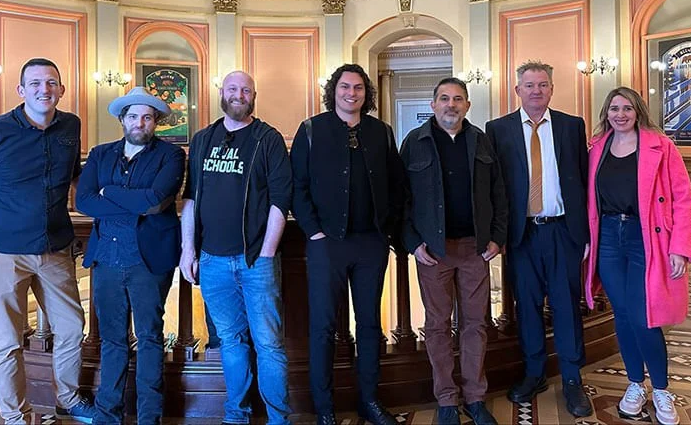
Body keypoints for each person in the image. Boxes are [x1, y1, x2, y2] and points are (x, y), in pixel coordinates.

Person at [0, 58, 96, 425]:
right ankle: (16, 416)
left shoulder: (70, 126)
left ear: (61, 89)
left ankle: (69, 397)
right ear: (20, 90)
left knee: (71, 328)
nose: (44, 89)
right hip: (4, 254)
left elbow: (75, 177)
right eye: (35, 83)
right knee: (8, 339)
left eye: (51, 83)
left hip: (55, 248)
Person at [291, 63, 405, 425]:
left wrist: (387, 231)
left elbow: (397, 185)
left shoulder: (381, 132)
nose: (351, 93)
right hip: (327, 245)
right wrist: (314, 232)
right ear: (333, 91)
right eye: (344, 87)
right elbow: (298, 186)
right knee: (322, 327)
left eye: (357, 88)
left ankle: (369, 401)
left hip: (371, 244)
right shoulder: (311, 130)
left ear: (365, 94)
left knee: (370, 324)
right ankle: (324, 409)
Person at [179, 71, 292, 425]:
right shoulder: (202, 140)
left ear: (253, 95)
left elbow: (280, 200)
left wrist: (268, 252)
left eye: (245, 90)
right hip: (211, 260)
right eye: (232, 89)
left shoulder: (268, 139)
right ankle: (236, 416)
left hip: (255, 259)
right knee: (230, 341)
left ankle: (278, 420)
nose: (238, 95)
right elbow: (191, 199)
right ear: (222, 93)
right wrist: (188, 250)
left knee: (269, 345)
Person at [485, 60, 593, 417]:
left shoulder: (571, 126)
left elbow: (582, 179)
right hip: (522, 234)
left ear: (551, 89)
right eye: (529, 85)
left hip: (563, 231)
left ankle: (573, 378)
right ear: (517, 90)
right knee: (527, 309)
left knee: (565, 305)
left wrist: (585, 233)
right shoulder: (497, 130)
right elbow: (494, 187)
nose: (536, 91)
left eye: (543, 84)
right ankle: (534, 373)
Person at [584, 87, 691, 425]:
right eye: (614, 108)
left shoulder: (662, 147)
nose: (620, 114)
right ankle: (635, 383)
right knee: (622, 313)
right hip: (608, 240)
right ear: (606, 113)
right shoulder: (596, 148)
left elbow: (683, 198)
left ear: (638, 111)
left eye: (627, 108)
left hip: (645, 238)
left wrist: (680, 247)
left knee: (644, 314)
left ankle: (660, 389)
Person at [76, 86, 186, 425]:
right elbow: (84, 201)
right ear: (122, 120)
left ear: (156, 123)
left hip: (149, 261)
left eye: (148, 117)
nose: (141, 122)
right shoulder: (100, 154)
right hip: (107, 259)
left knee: (151, 338)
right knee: (112, 340)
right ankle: (108, 415)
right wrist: (129, 198)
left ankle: (149, 417)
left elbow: (155, 202)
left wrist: (109, 192)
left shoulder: (171, 156)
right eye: (134, 116)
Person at [400, 77, 507, 425]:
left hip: (475, 248)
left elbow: (499, 194)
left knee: (476, 324)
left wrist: (497, 237)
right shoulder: (414, 143)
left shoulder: (481, 141)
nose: (451, 105)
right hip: (434, 251)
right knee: (437, 326)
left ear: (467, 106)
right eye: (444, 99)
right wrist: (413, 243)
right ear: (433, 105)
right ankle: (446, 399)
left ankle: (475, 398)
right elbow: (400, 200)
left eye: (458, 99)